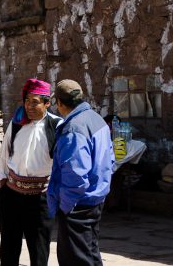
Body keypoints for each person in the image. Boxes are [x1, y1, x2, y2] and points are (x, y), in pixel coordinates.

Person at [47, 79, 115, 266]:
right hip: (95, 199)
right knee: (90, 254)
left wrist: (66, 206)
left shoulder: (74, 128)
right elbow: (110, 159)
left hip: (78, 203)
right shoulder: (96, 119)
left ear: (59, 103)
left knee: (76, 259)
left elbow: (76, 174)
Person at [0, 78, 62, 266]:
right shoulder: (17, 123)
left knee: (39, 249)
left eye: (35, 102)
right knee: (9, 247)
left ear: (47, 103)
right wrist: (2, 182)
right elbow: (4, 152)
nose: (29, 106)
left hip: (40, 199)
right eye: (26, 101)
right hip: (12, 195)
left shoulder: (57, 126)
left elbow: (61, 162)